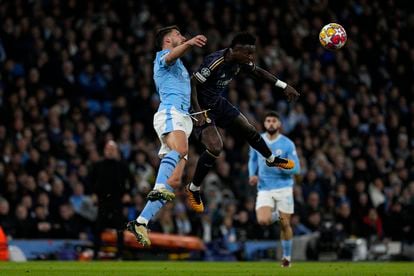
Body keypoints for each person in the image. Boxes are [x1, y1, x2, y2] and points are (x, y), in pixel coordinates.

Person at [185, 32, 300, 212]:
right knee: (215, 147)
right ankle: (193, 189)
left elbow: (259, 73)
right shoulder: (215, 62)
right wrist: (198, 111)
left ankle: (270, 159)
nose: (251, 57)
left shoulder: (240, 61)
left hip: (218, 103)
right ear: (236, 50)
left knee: (250, 129)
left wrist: (284, 86)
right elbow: (192, 84)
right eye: (248, 53)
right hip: (200, 107)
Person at [126, 26, 207, 246]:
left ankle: (141, 221)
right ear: (168, 39)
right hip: (171, 114)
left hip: (183, 118)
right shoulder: (162, 58)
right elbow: (171, 56)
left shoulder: (180, 66)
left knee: (175, 180)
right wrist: (189, 43)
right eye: (179, 35)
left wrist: (197, 113)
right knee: (179, 153)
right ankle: (158, 188)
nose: (182, 36)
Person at [248, 111, 300, 267]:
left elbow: (296, 169)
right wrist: (252, 174)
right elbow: (252, 160)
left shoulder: (287, 144)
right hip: (264, 187)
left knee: (285, 225)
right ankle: (278, 214)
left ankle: (287, 258)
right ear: (264, 124)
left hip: (284, 187)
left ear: (279, 124)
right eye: (268, 121)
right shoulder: (258, 140)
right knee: (263, 220)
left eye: (274, 121)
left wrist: (278, 163)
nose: (271, 123)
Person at [89, 140, 132, 259]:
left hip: (117, 200)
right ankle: (96, 253)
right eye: (109, 149)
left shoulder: (122, 166)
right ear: (105, 151)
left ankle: (120, 254)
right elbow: (90, 181)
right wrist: (93, 194)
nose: (110, 151)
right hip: (102, 200)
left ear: (116, 151)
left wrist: (127, 193)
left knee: (119, 228)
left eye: (113, 149)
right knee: (98, 228)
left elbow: (130, 181)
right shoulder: (98, 165)